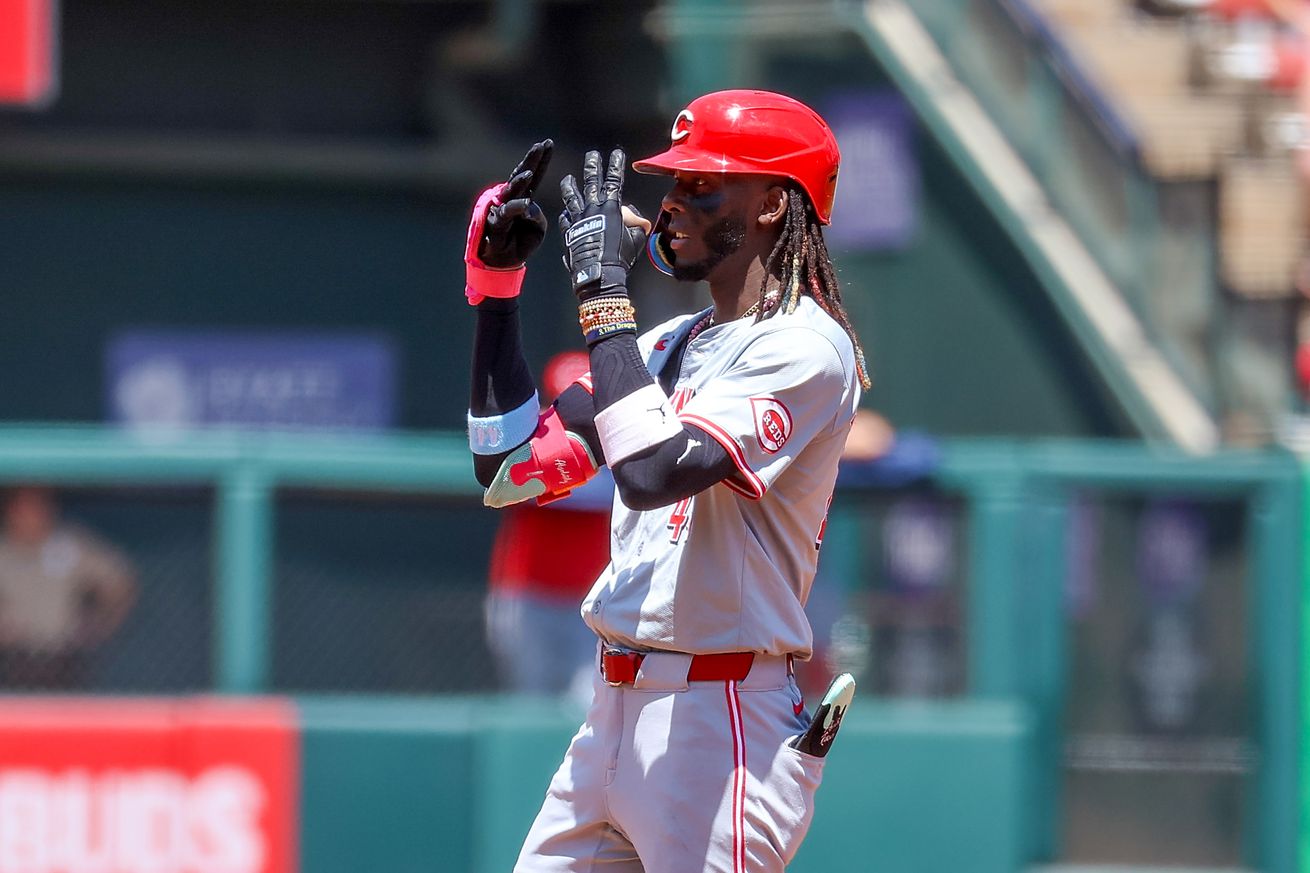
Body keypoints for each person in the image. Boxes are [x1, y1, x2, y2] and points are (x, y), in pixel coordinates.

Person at [462, 90, 868, 872]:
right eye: (674, 184)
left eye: (702, 185)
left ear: (773, 205)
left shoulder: (810, 347)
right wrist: (497, 289)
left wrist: (602, 299)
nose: (672, 204)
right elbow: (510, 469)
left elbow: (652, 470)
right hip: (612, 709)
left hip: (720, 721)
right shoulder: (671, 342)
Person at [484, 349, 615, 700]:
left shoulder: (622, 439)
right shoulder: (530, 440)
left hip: (592, 603)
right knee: (530, 704)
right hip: (528, 595)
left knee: (588, 705)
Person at [0, 485, 137, 690]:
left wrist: (97, 625)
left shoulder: (69, 545)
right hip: (12, 657)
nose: (33, 516)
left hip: (63, 657)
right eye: (24, 508)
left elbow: (120, 583)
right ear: (10, 511)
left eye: (39, 507)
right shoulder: (4, 550)